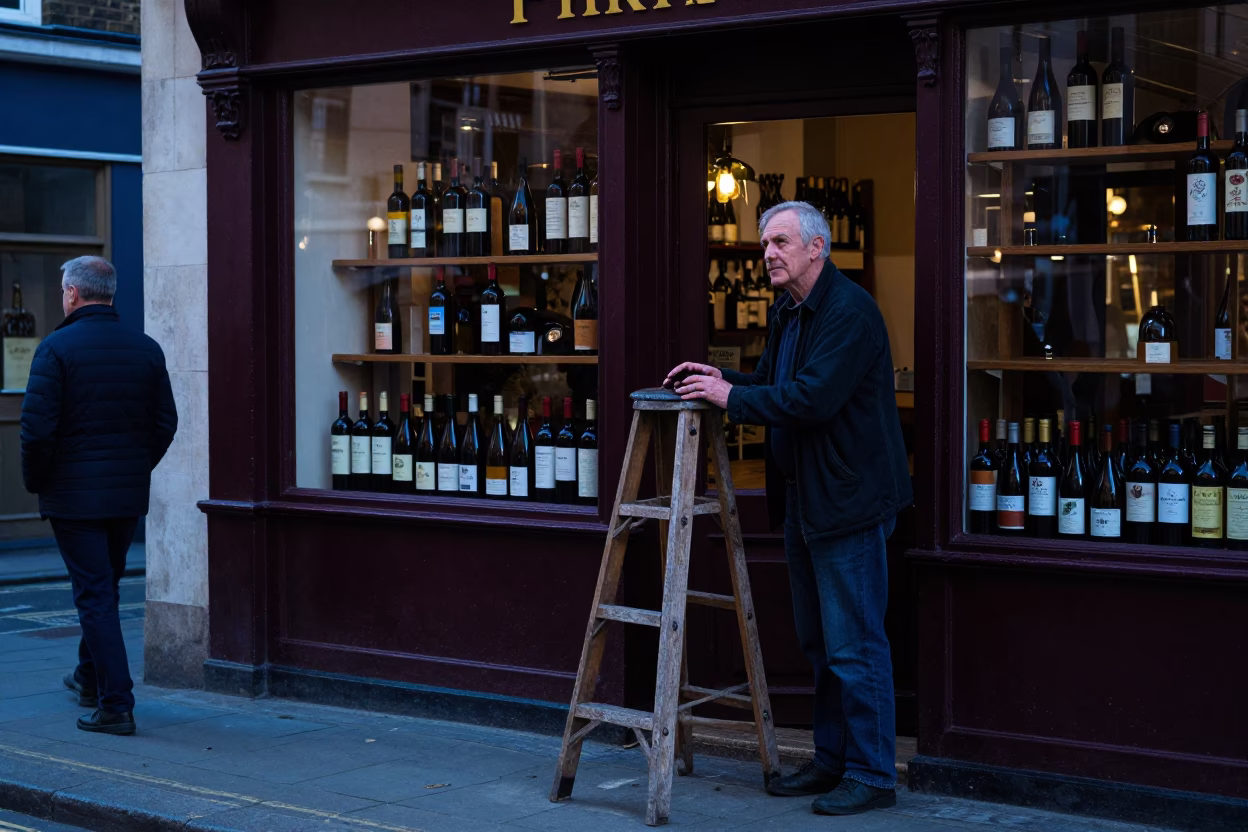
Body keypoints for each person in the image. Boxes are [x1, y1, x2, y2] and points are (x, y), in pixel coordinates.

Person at [664, 201, 911, 816]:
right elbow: (773, 381)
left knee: (855, 642)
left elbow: (812, 399)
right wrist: (718, 377)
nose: (768, 254)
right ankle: (833, 762)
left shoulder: (849, 312)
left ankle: (874, 774)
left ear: (816, 248)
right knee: (820, 642)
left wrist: (730, 397)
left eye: (778, 242)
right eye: (764, 244)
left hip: (848, 501)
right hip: (808, 496)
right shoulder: (790, 310)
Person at [20, 256, 178, 735]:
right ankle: (89, 677)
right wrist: (133, 469)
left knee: (94, 595)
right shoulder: (146, 348)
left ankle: (116, 704)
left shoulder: (55, 349)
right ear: (110, 293)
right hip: (124, 495)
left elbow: (36, 431)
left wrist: (38, 481)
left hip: (74, 498)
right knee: (103, 587)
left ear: (72, 293)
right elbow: (165, 425)